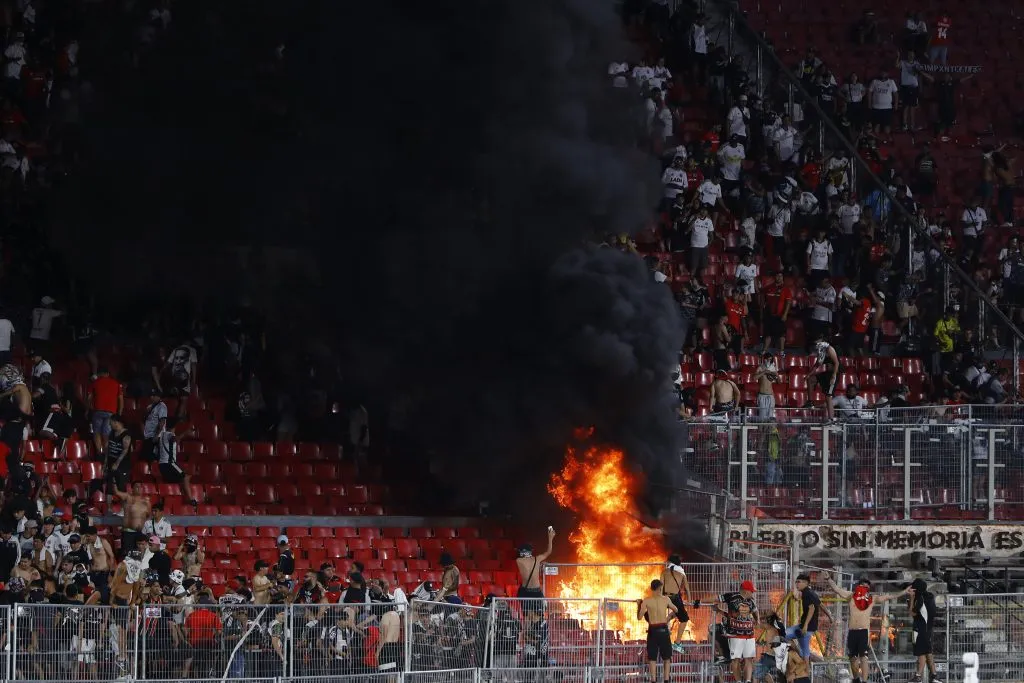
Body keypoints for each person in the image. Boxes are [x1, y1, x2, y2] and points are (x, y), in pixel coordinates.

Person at [826, 575, 909, 683]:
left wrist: (904, 592)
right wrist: (828, 579)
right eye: (862, 586)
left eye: (866, 587)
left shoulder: (871, 598)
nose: (864, 588)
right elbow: (836, 589)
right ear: (858, 586)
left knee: (864, 657)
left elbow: (889, 596)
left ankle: (864, 681)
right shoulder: (851, 596)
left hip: (863, 631)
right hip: (852, 631)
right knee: (852, 657)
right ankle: (856, 679)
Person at [716, 580, 759, 683]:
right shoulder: (731, 596)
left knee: (749, 658)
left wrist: (758, 620)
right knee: (735, 660)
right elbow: (717, 598)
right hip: (736, 635)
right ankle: (739, 681)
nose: (752, 593)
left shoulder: (750, 601)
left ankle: (748, 681)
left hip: (749, 634)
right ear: (746, 590)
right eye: (751, 591)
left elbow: (755, 610)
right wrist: (699, 601)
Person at [638, 579, 679, 683]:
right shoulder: (666, 599)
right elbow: (676, 610)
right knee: (667, 658)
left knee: (652, 658)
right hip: (663, 630)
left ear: (651, 589)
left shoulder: (646, 601)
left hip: (652, 631)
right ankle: (666, 680)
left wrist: (639, 605)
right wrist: (669, 617)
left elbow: (639, 617)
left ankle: (653, 681)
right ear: (660, 588)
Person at [908, 578, 942, 683]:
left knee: (921, 652)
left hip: (920, 629)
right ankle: (934, 675)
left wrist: (912, 598)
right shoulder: (930, 596)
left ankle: (918, 676)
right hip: (928, 628)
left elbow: (912, 613)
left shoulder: (920, 598)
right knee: (928, 652)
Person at [516, 526, 555, 614]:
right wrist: (550, 538)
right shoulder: (536, 559)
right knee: (535, 616)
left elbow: (548, 552)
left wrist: (550, 538)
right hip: (534, 591)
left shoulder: (519, 560)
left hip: (529, 591)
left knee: (531, 616)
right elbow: (548, 552)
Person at [86, 367, 123, 457]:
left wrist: (89, 409)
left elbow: (89, 398)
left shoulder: (95, 382)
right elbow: (121, 399)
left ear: (99, 374)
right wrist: (119, 413)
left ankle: (99, 453)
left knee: (97, 432)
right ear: (108, 373)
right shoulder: (116, 383)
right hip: (111, 412)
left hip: (98, 411)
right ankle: (106, 454)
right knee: (106, 433)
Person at [661, 553, 692, 651]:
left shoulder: (664, 572)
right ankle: (677, 643)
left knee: (675, 612)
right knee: (684, 618)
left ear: (670, 562)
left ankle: (665, 621)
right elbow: (687, 588)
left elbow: (660, 586)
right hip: (675, 598)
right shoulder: (681, 572)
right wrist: (690, 601)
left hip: (665, 597)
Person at [785, 573, 820, 661]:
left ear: (805, 583)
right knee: (784, 635)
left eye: (798, 582)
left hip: (807, 628)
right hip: (805, 626)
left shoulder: (807, 593)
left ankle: (806, 672)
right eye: (796, 582)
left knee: (805, 652)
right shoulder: (810, 593)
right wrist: (829, 616)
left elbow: (811, 609)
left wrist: (805, 626)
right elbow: (820, 604)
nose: (796, 584)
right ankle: (800, 654)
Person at [805, 338, 840, 421]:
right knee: (811, 379)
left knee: (828, 397)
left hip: (833, 374)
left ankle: (831, 419)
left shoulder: (830, 349)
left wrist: (833, 376)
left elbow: (837, 363)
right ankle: (810, 402)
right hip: (826, 374)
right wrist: (808, 374)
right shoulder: (821, 351)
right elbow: (817, 364)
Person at [114, 482, 151, 557]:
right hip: (128, 533)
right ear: (132, 489)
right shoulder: (128, 497)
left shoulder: (146, 502)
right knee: (128, 555)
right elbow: (116, 492)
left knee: (139, 555)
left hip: (140, 533)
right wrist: (114, 480)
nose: (139, 488)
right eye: (137, 487)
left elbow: (148, 516)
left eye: (141, 487)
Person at [754, 352, 780, 420]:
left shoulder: (773, 367)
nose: (769, 361)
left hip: (771, 395)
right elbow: (754, 378)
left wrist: (775, 375)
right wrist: (764, 372)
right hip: (762, 395)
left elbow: (779, 382)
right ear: (764, 359)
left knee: (770, 417)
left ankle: (769, 430)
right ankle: (762, 430)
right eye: (767, 359)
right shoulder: (760, 367)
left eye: (770, 360)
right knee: (762, 417)